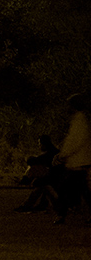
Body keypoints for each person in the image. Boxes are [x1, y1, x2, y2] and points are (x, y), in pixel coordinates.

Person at [53, 94, 91, 224]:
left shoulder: (80, 121)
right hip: (78, 161)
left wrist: (64, 154)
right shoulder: (79, 120)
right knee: (83, 190)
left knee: (63, 188)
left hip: (77, 162)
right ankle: (62, 214)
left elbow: (76, 142)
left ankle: (61, 214)